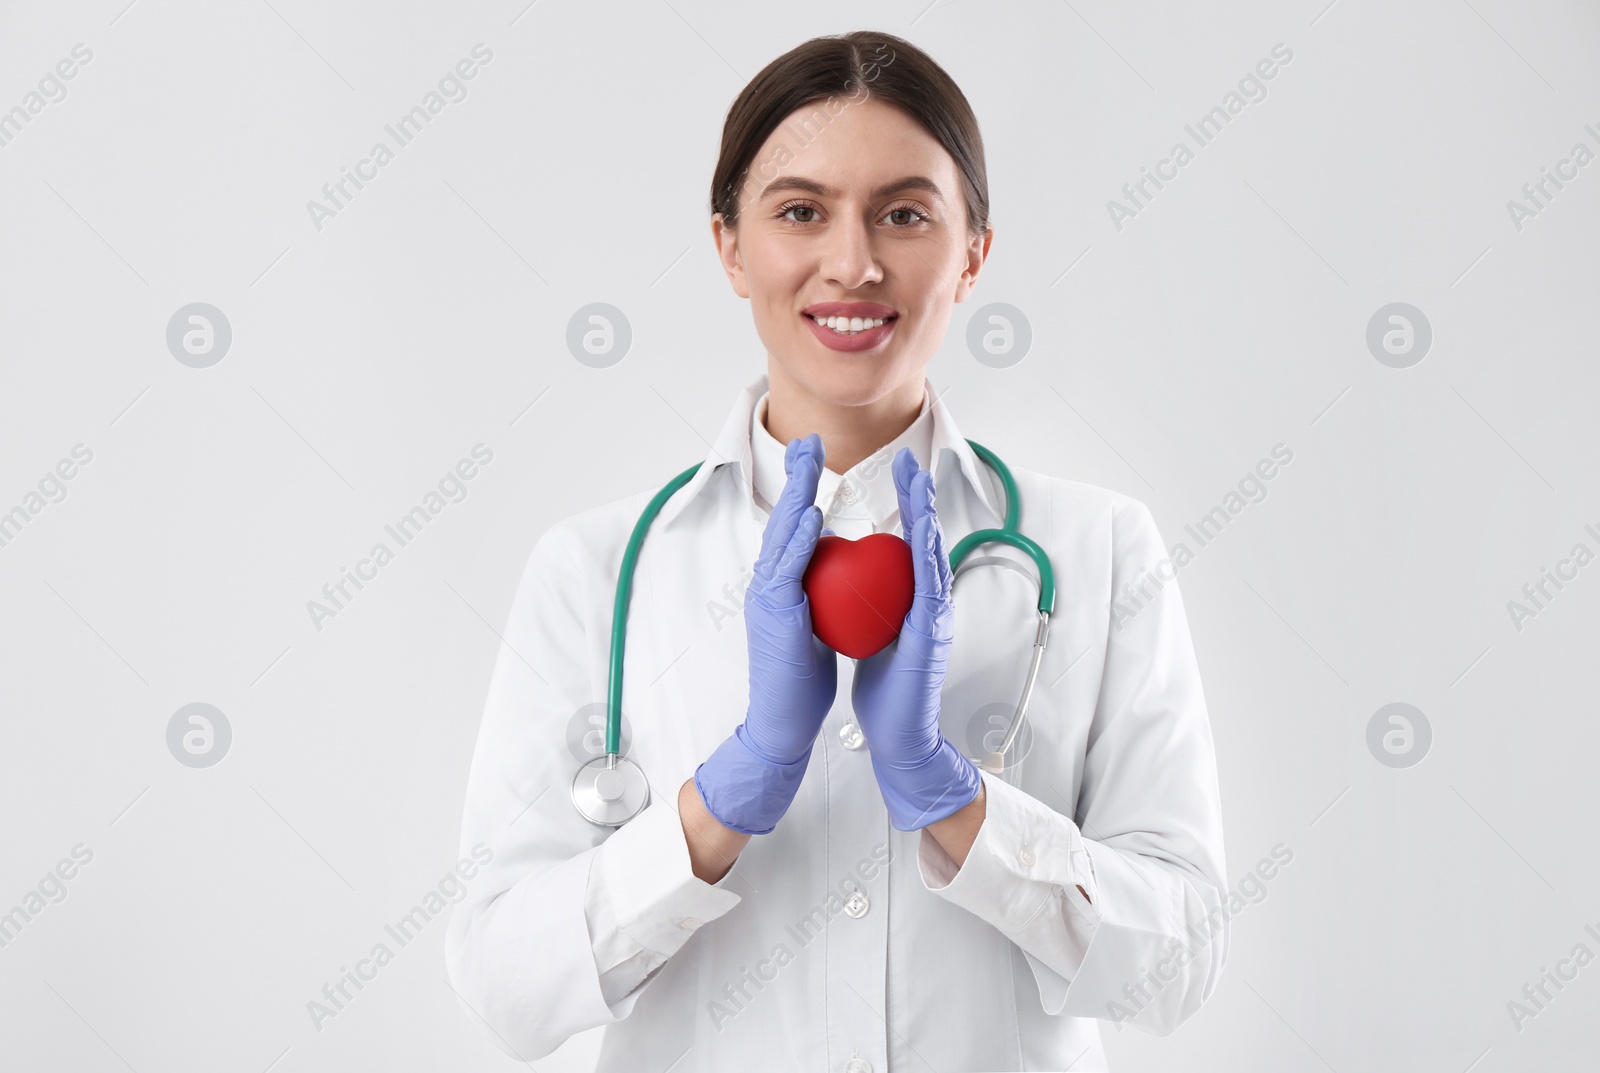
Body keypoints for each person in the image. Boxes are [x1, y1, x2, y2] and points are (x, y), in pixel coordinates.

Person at [444, 29, 1227, 1072]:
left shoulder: (1097, 550)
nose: (853, 263)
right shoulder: (594, 572)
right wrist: (722, 799)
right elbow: (503, 986)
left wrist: (956, 800)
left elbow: (1177, 963)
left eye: (904, 214)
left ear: (973, 252)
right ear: (730, 245)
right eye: (800, 211)